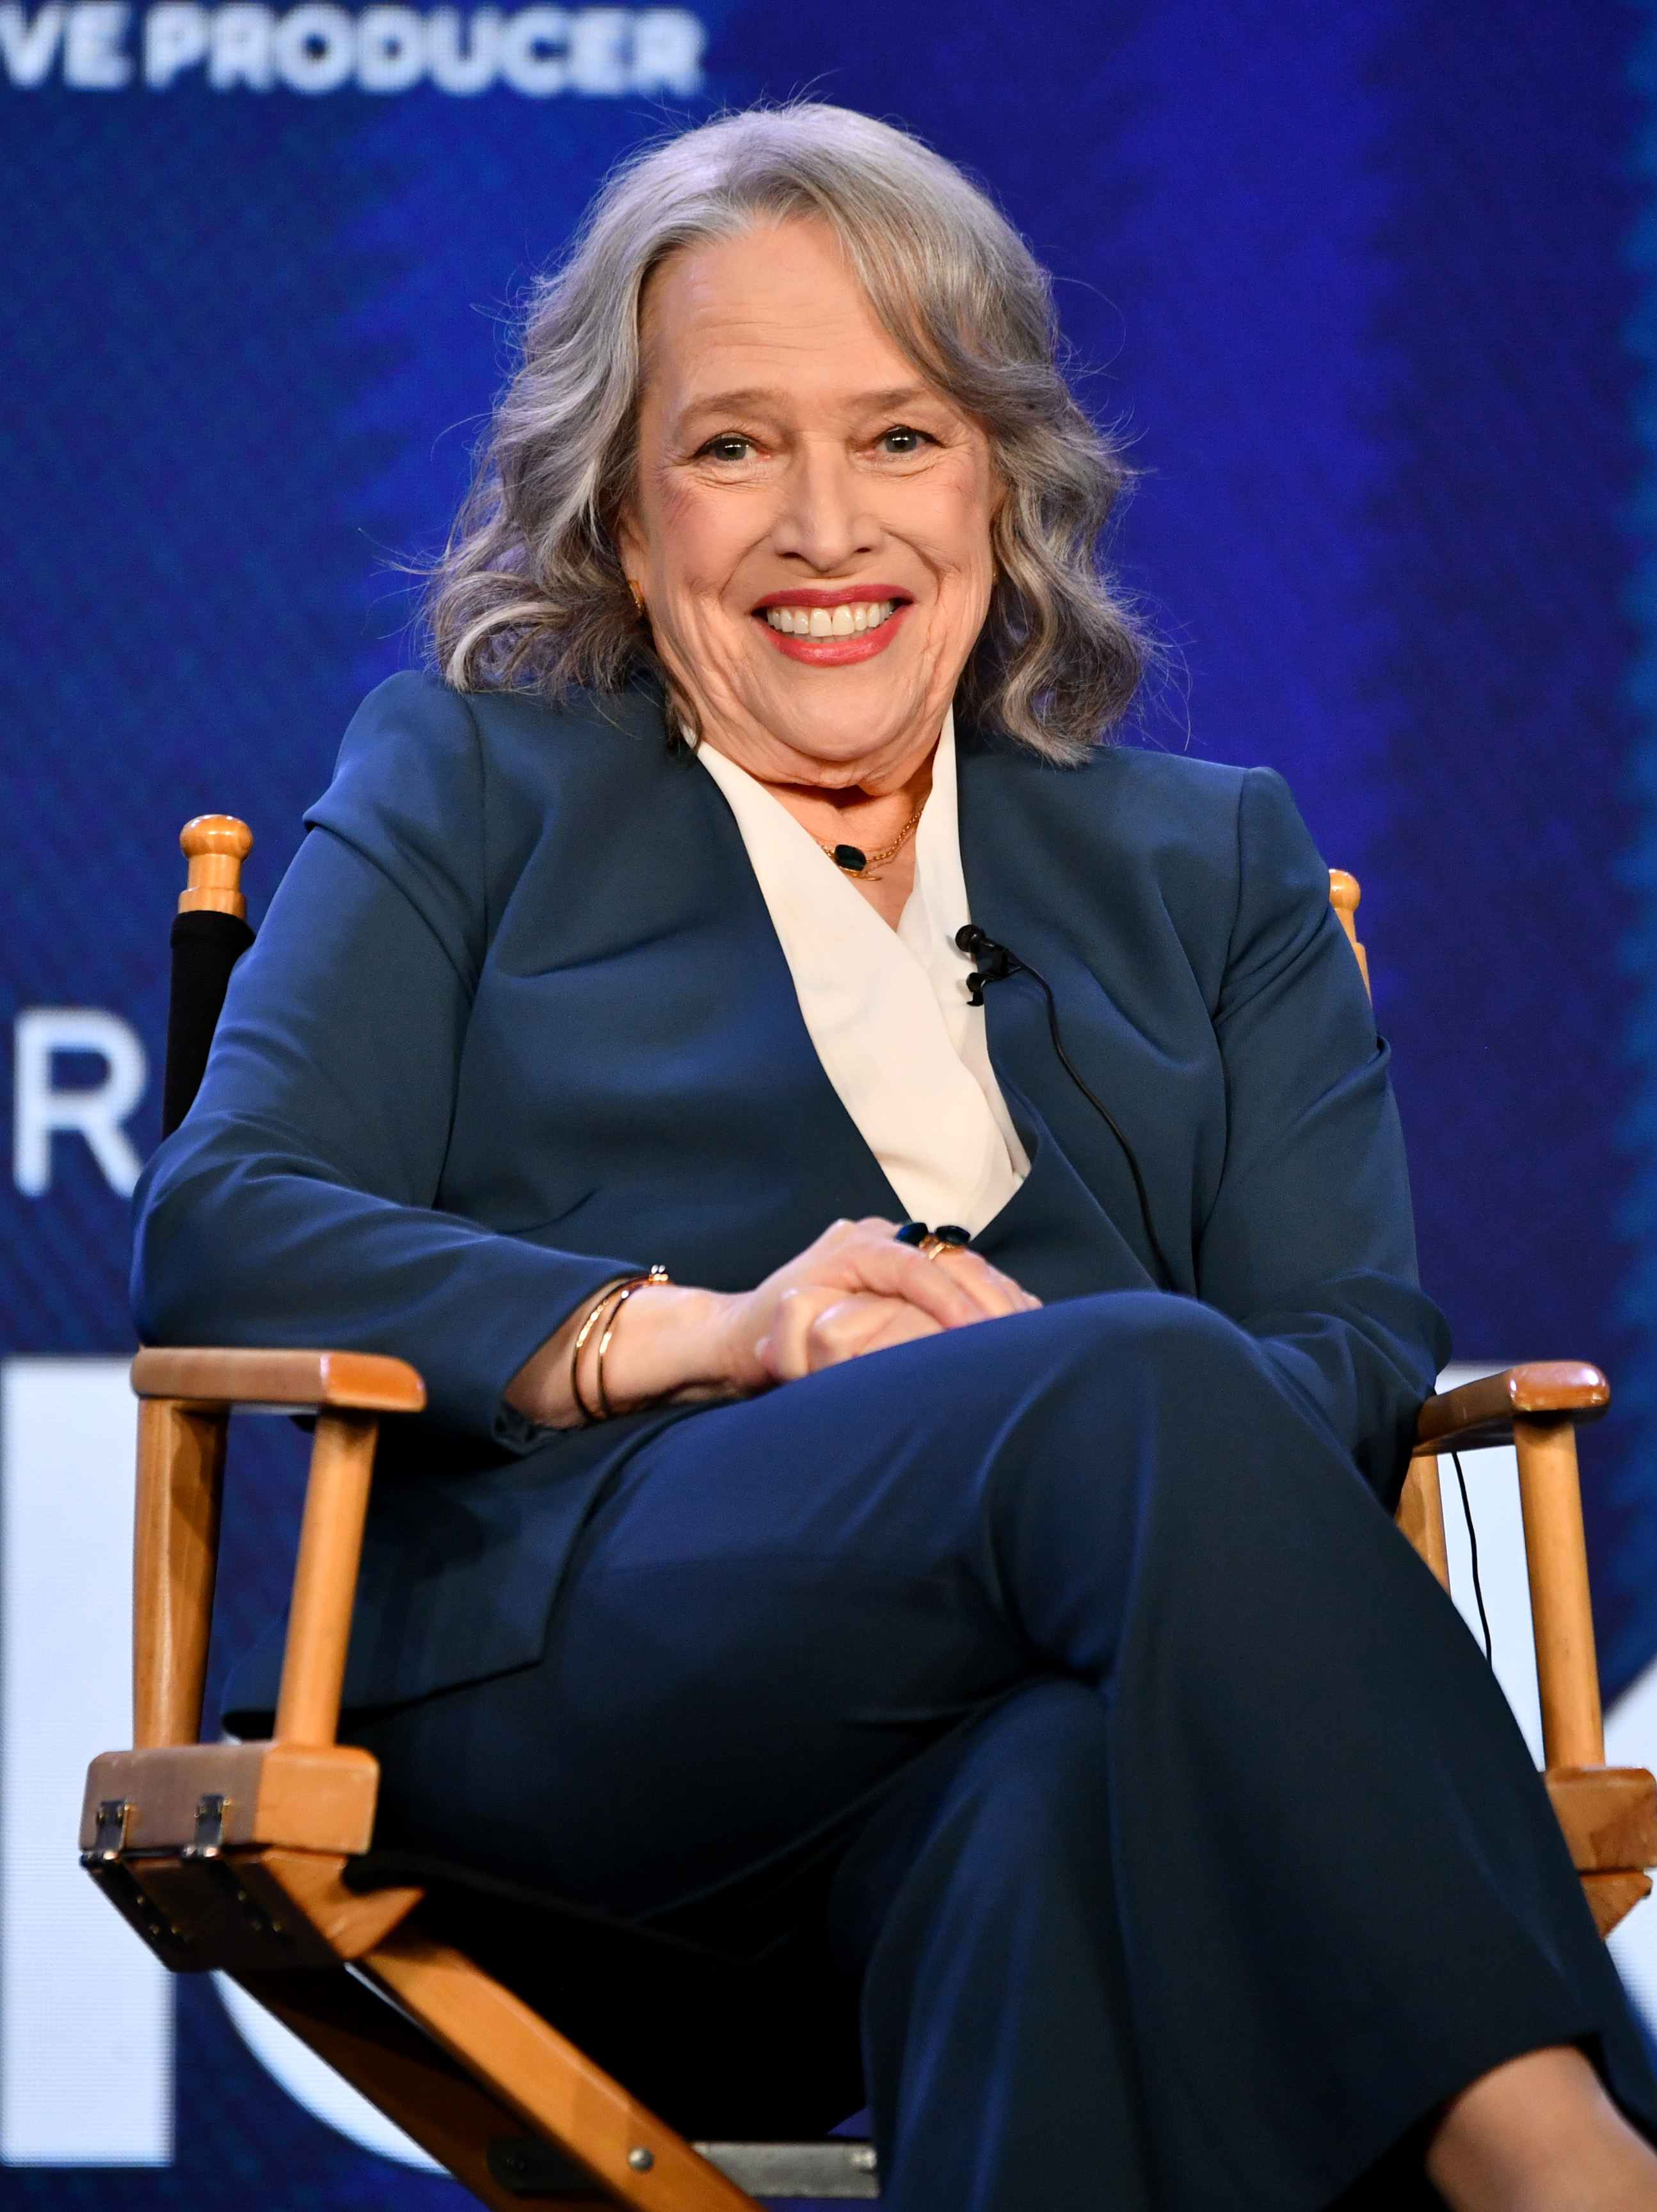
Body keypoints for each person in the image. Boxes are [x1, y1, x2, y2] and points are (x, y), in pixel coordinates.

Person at [132, 102, 1657, 2212]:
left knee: (1045, 1801)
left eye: (904, 438)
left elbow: (1350, 1335)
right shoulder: (469, 789)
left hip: (1056, 1731)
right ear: (619, 501)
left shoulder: (1209, 865)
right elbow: (224, 1226)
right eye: (735, 444)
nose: (824, 527)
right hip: (591, 1718)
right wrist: (704, 1334)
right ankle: (1564, 2150)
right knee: (1129, 1377)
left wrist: (1038, 1397)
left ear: (1007, 483)